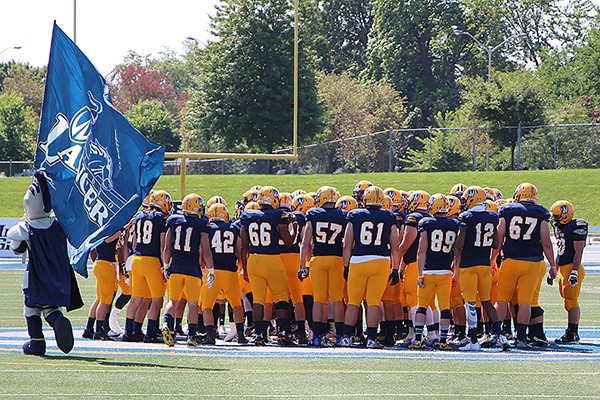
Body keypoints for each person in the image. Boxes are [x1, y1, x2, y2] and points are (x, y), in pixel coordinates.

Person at [492, 183, 557, 349]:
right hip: (533, 262)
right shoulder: (541, 212)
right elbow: (546, 241)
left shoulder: (507, 210)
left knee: (502, 299)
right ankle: (521, 338)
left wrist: (492, 259)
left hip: (511, 261)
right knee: (525, 302)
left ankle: (497, 335)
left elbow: (499, 235)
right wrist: (553, 265)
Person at [338, 186, 401, 349]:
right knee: (374, 302)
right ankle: (372, 338)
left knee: (353, 301)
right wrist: (395, 269)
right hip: (381, 261)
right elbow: (395, 246)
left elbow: (347, 244)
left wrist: (346, 266)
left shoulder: (355, 215)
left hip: (359, 260)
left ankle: (346, 337)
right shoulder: (389, 216)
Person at [454, 186, 509, 351]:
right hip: (485, 264)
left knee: (470, 303)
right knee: (487, 301)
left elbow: (459, 244)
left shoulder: (466, 217)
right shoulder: (492, 216)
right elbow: (496, 243)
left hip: (468, 265)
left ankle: (473, 341)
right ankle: (500, 336)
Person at [240, 186, 295, 346]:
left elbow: (244, 245)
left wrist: (244, 267)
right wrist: (294, 227)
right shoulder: (278, 215)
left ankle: (259, 334)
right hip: (272, 259)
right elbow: (289, 241)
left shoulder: (248, 215)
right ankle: (283, 332)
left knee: (258, 299)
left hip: (254, 260)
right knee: (281, 297)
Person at [161, 193, 214, 347]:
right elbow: (205, 250)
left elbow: (167, 247)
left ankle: (166, 325)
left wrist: (166, 266)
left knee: (173, 300)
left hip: (176, 267)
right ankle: (191, 335)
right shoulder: (201, 223)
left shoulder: (173, 220)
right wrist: (211, 270)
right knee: (192, 304)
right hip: (192, 269)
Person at [409, 194, 458, 350]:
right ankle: (443, 341)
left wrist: (418, 274)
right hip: (445, 271)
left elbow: (421, 250)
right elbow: (457, 252)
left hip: (429, 271)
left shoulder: (426, 223)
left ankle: (417, 339)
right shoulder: (454, 224)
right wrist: (455, 270)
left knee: (422, 306)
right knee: (444, 307)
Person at [300, 186, 347, 346]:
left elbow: (305, 243)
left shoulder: (313, 214)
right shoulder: (343, 215)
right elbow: (348, 242)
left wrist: (302, 266)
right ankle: (340, 336)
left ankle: (317, 336)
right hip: (337, 259)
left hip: (318, 259)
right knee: (337, 299)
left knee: (319, 300)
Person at [124, 190, 172, 342]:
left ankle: (130, 331)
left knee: (136, 298)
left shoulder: (139, 216)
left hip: (137, 259)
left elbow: (135, 240)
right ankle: (150, 333)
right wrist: (165, 265)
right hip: (152, 261)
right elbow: (163, 244)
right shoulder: (162, 219)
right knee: (157, 299)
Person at [199, 203, 247, 345]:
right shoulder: (233, 228)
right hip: (230, 272)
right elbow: (239, 249)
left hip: (212, 271)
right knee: (236, 304)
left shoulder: (207, 229)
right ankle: (240, 335)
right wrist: (241, 266)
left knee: (207, 306)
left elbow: (203, 250)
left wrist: (203, 266)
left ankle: (210, 335)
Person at [550, 200, 587, 344]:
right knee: (567, 301)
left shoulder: (576, 226)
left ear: (565, 214)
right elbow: (560, 250)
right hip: (563, 268)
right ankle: (571, 332)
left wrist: (574, 272)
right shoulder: (561, 228)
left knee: (572, 302)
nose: (555, 219)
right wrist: (553, 269)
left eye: (557, 216)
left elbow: (579, 251)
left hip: (572, 267)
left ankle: (572, 333)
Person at [397, 190, 431, 343]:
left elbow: (405, 245)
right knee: (429, 302)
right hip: (430, 264)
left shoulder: (414, 218)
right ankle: (433, 334)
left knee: (413, 300)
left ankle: (414, 334)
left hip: (414, 263)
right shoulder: (432, 219)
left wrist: (399, 264)